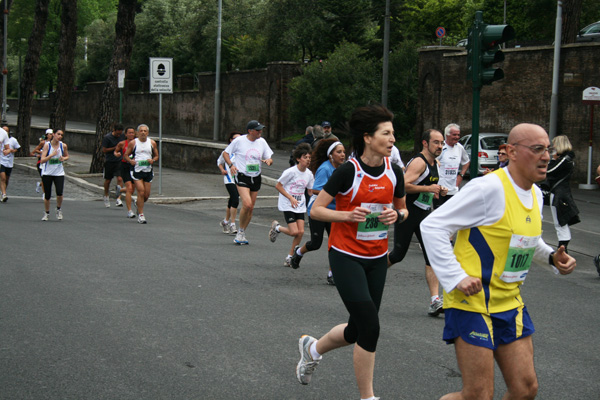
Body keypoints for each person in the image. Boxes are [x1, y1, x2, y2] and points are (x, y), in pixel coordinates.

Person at [421, 123, 576, 400]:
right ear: (512, 152)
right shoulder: (488, 188)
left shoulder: (537, 194)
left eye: (548, 150)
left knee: (525, 389)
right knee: (478, 395)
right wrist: (456, 277)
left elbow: (525, 240)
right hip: (472, 303)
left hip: (509, 302)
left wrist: (552, 257)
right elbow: (433, 226)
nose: (546, 157)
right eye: (538, 149)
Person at [295, 104, 407, 400]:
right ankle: (367, 397)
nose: (393, 138)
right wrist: (346, 216)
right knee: (371, 326)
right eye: (387, 133)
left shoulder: (395, 171)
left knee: (358, 329)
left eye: (393, 133)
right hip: (345, 256)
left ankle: (313, 348)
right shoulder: (348, 172)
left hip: (376, 259)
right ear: (368, 137)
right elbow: (315, 210)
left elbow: (403, 208)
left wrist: (399, 216)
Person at [388, 129, 448, 316]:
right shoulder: (419, 162)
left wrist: (439, 189)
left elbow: (428, 188)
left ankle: (435, 301)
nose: (440, 146)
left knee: (432, 257)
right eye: (436, 142)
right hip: (408, 213)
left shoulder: (435, 163)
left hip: (425, 215)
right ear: (425, 143)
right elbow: (402, 185)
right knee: (398, 254)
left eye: (442, 143)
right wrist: (428, 187)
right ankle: (370, 272)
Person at [290, 138, 346, 285]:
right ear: (330, 155)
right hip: (319, 210)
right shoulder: (325, 169)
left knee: (336, 244)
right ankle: (298, 252)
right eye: (339, 152)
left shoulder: (343, 169)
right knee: (316, 243)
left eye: (344, 152)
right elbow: (315, 189)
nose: (342, 155)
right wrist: (335, 192)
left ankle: (332, 274)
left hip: (334, 212)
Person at [222, 120, 274, 245]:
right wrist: (231, 165)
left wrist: (268, 161)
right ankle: (239, 231)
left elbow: (269, 157)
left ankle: (241, 232)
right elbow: (225, 153)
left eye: (261, 129)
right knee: (247, 204)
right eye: (257, 130)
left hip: (255, 176)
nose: (260, 131)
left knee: (251, 208)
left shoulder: (262, 142)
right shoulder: (239, 141)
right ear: (250, 131)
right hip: (242, 176)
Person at [269, 143, 315, 266]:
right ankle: (277, 228)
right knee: (294, 232)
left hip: (300, 205)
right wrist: (290, 198)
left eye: (309, 157)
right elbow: (278, 185)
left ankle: (290, 257)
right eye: (305, 157)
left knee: (300, 232)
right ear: (298, 159)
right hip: (288, 204)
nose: (308, 160)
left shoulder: (309, 174)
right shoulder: (290, 172)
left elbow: (310, 191)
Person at [547, 135, 580, 253]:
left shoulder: (564, 160)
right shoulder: (565, 159)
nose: (553, 147)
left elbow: (549, 171)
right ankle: (562, 246)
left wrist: (552, 159)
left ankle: (562, 246)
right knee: (560, 220)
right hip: (561, 192)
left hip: (559, 193)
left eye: (555, 144)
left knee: (560, 221)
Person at [124, 124, 158, 224]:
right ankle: (141, 215)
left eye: (145, 131)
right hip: (137, 170)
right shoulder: (133, 143)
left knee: (146, 195)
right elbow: (126, 155)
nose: (143, 133)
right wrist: (131, 161)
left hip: (148, 170)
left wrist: (153, 160)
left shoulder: (152, 143)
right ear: (137, 133)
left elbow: (156, 156)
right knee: (141, 192)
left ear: (147, 133)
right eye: (141, 131)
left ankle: (138, 203)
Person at [40, 129, 69, 221]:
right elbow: (42, 160)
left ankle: (58, 209)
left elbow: (67, 156)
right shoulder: (47, 145)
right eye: (58, 134)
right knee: (47, 195)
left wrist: (63, 158)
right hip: (47, 173)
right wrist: (51, 155)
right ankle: (47, 213)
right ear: (53, 134)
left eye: (61, 135)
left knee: (59, 193)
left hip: (59, 172)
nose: (60, 136)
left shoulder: (63, 145)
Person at [436, 123, 469, 205]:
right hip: (440, 189)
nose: (457, 137)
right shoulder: (440, 147)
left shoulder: (459, 147)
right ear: (447, 135)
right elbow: (432, 162)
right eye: (454, 134)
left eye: (458, 135)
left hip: (453, 190)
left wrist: (461, 175)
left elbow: (466, 162)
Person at [217, 131, 242, 234]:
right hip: (229, 179)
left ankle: (225, 221)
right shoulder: (226, 152)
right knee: (235, 200)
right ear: (231, 140)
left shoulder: (241, 152)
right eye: (235, 138)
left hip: (240, 180)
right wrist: (222, 170)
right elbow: (219, 162)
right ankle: (232, 224)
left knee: (232, 200)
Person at [114, 126, 137, 218]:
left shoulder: (137, 143)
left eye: (132, 133)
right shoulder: (122, 143)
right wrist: (117, 154)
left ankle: (120, 190)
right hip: (125, 166)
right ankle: (129, 211)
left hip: (135, 167)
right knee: (129, 188)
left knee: (132, 190)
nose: (131, 134)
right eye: (129, 133)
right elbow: (115, 151)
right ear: (126, 134)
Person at [101, 122, 125, 208]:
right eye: (117, 133)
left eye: (120, 133)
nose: (119, 135)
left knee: (119, 178)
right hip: (110, 161)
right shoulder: (107, 138)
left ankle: (118, 198)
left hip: (119, 160)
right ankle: (106, 195)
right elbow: (104, 150)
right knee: (108, 180)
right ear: (114, 130)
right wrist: (115, 148)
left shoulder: (122, 136)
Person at [0, 125, 21, 202]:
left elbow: (18, 149)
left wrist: (10, 150)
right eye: (3, 130)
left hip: (9, 162)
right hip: (1, 161)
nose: (4, 131)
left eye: (6, 130)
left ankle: (2, 192)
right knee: (3, 178)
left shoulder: (13, 140)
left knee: (6, 179)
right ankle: (4, 194)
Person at [31, 129, 53, 194]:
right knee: (44, 179)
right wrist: (42, 153)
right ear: (47, 135)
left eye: (52, 134)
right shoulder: (43, 142)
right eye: (50, 134)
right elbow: (34, 151)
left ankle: (40, 185)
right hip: (41, 163)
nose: (51, 136)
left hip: (49, 163)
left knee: (47, 180)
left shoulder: (54, 143)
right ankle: (45, 194)